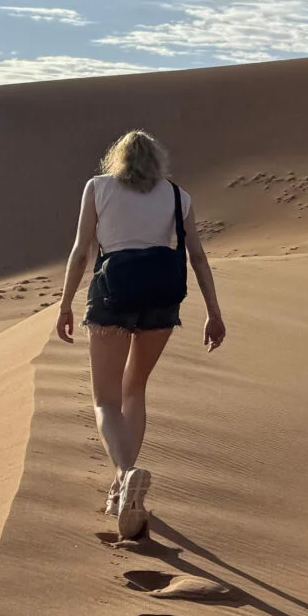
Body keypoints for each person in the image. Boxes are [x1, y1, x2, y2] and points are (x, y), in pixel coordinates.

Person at [56, 130, 225, 538]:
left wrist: (64, 305)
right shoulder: (176, 195)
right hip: (162, 299)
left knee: (105, 400)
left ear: (118, 159)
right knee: (135, 390)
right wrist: (214, 313)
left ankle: (125, 473)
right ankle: (121, 491)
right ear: (157, 161)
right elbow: (197, 256)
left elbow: (82, 250)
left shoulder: (98, 188)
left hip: (112, 294)